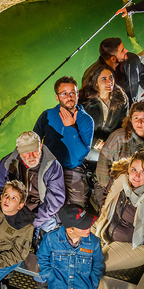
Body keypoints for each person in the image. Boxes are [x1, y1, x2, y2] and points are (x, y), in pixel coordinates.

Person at [36, 204, 105, 289]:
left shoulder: (94, 242)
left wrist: (92, 284)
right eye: (84, 225)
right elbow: (42, 257)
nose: (89, 227)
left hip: (80, 288)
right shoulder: (51, 239)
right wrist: (48, 277)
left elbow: (98, 264)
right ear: (70, 230)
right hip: (57, 286)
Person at [90, 99, 144, 209]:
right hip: (111, 186)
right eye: (136, 118)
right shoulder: (119, 137)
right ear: (131, 120)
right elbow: (103, 167)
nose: (139, 122)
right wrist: (113, 191)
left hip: (140, 186)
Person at [0, 130, 66, 234]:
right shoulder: (7, 162)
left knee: (49, 234)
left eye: (35, 151)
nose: (32, 156)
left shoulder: (53, 166)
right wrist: (8, 213)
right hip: (14, 209)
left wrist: (32, 221)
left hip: (40, 214)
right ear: (19, 152)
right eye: (26, 153)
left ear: (41, 147)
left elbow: (55, 199)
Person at [32, 77, 94, 208]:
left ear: (77, 94)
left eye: (72, 92)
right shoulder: (47, 115)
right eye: (64, 94)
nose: (69, 97)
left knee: (78, 208)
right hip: (49, 167)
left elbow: (80, 155)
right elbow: (34, 142)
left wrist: (71, 128)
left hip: (71, 169)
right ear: (57, 97)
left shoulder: (86, 120)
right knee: (42, 202)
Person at [80, 37, 144, 104]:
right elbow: (87, 101)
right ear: (113, 59)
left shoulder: (132, 60)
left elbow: (143, 73)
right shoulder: (91, 74)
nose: (126, 50)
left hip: (131, 105)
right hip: (111, 112)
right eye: (122, 50)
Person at [79, 66, 129, 143]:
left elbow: (122, 124)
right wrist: (97, 143)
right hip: (87, 143)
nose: (109, 82)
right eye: (104, 79)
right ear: (95, 82)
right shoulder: (84, 100)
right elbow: (80, 128)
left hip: (111, 144)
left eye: (111, 77)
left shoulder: (121, 98)